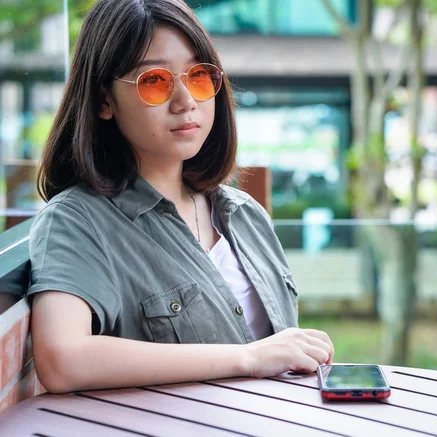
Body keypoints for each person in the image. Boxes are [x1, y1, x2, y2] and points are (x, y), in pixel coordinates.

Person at [28, 0, 334, 394]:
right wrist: (250, 357)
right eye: (154, 80)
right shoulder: (76, 220)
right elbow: (62, 359)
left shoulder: (246, 215)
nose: (186, 99)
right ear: (104, 100)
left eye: (199, 76)